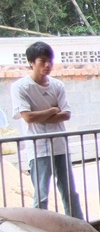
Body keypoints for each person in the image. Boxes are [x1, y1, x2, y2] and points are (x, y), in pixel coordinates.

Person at [10, 41, 83, 219]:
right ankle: (40, 228)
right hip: (38, 148)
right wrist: (51, 111)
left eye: (50, 60)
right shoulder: (20, 87)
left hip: (59, 145)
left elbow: (66, 114)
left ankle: (78, 225)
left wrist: (41, 115)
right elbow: (28, 117)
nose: (48, 65)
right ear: (31, 62)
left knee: (69, 191)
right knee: (41, 195)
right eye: (42, 61)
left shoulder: (57, 86)